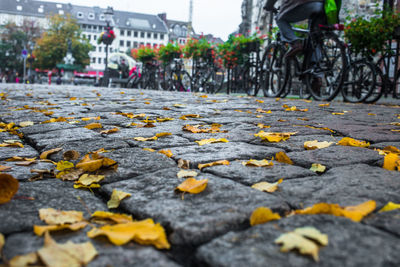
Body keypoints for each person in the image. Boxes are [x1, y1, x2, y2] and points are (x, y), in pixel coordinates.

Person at [264, 0, 325, 91]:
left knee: (280, 19)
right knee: (315, 38)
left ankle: (295, 43)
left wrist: (268, 5)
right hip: (322, 6)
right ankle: (317, 76)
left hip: (303, 4)